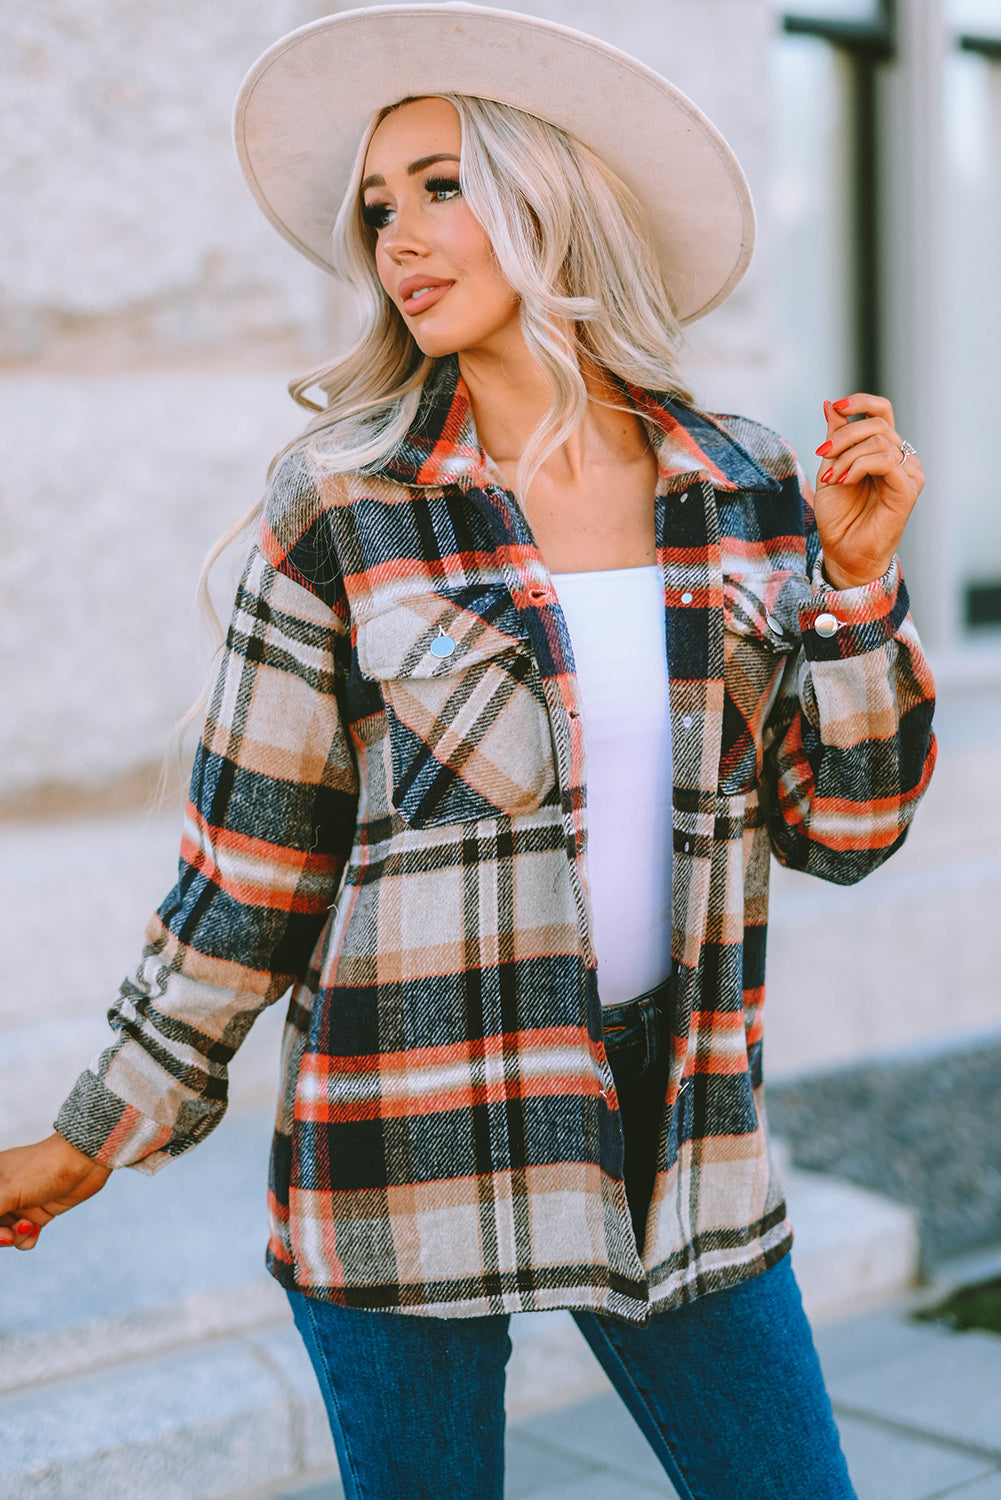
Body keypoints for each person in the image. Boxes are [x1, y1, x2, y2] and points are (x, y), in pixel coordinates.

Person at [0, 6, 935, 1497]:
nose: (400, 238)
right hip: (404, 1131)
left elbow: (849, 832)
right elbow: (251, 870)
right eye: (378, 206)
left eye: (442, 185)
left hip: (677, 1136)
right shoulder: (345, 504)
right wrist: (94, 1131)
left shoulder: (744, 481)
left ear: (551, 197)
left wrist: (858, 596)